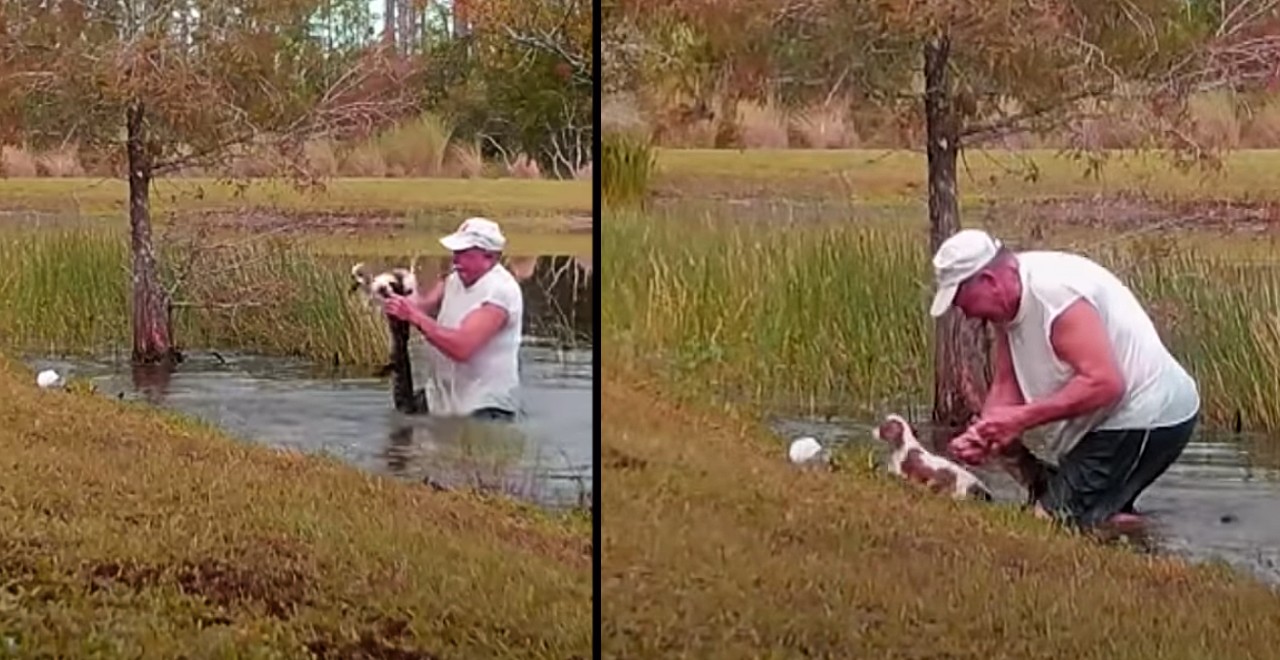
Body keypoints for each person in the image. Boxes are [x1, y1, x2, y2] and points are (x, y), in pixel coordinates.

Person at [931, 228, 1200, 532]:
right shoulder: (1008, 300)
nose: (962, 312)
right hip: (1109, 420)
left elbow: (1106, 384)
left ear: (989, 282)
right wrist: (985, 432)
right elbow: (1008, 382)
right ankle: (1111, 518)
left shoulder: (1056, 298)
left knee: (1049, 526)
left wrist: (1019, 420)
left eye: (960, 298)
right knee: (1089, 510)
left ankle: (1164, 536)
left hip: (1147, 415)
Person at [382, 217, 524, 422]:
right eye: (456, 252)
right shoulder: (455, 278)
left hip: (485, 407)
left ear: (489, 256)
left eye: (464, 253)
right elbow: (421, 304)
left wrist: (414, 316)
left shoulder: (499, 293)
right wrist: (392, 296)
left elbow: (462, 347)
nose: (456, 260)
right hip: (442, 398)